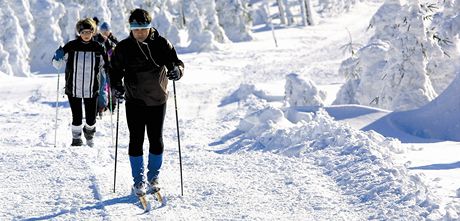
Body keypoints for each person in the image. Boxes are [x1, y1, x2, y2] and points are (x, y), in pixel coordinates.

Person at [110, 8, 184, 196]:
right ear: (131, 29)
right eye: (136, 29)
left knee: (156, 139)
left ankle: (153, 177)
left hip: (157, 99)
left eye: (143, 28)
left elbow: (176, 63)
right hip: (134, 100)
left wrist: (177, 71)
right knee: (136, 139)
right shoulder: (124, 47)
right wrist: (117, 87)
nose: (140, 33)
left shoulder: (161, 44)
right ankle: (138, 181)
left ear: (150, 27)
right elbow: (115, 71)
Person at [52, 18, 108, 147]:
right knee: (76, 116)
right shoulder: (71, 46)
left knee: (90, 118)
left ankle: (89, 134)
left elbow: (105, 67)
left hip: (91, 88)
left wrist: (109, 70)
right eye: (83, 32)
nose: (86, 35)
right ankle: (76, 138)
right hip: (73, 88)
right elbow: (57, 65)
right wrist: (57, 56)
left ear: (93, 32)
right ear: (79, 33)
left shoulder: (98, 48)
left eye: (89, 32)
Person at [93, 21, 119, 117]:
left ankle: (112, 105)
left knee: (111, 87)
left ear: (109, 31)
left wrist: (112, 53)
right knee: (102, 87)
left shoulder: (113, 40)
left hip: (112, 67)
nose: (104, 33)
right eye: (102, 31)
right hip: (103, 67)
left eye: (106, 31)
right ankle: (100, 107)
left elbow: (117, 50)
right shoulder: (99, 39)